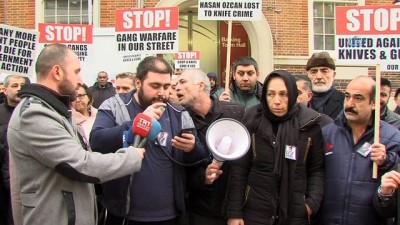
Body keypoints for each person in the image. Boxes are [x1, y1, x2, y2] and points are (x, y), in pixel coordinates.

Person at [7, 43, 145, 225]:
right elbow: (80, 165)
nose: (80, 80)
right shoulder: (35, 114)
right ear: (57, 72)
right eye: (76, 71)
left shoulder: (54, 109)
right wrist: (131, 157)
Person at [90, 56, 205, 225]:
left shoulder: (179, 113)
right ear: (138, 83)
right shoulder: (114, 105)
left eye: (167, 87)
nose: (162, 92)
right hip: (124, 214)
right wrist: (136, 123)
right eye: (155, 86)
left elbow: (200, 156)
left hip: (170, 215)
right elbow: (97, 142)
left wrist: (192, 148)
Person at [226, 70, 325, 225]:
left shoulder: (309, 124)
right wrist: (235, 213)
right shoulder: (252, 121)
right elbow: (239, 169)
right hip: (255, 212)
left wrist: (310, 205)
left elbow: (317, 170)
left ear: (292, 94)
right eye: (271, 94)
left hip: (295, 213)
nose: (276, 101)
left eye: (283, 94)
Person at [320, 76, 400, 225]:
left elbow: (391, 206)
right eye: (347, 96)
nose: (349, 104)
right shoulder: (326, 134)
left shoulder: (392, 138)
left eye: (358, 98)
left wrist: (387, 161)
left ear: (374, 103)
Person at [175, 68, 245, 225]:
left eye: (182, 82)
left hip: (235, 209)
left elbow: (246, 166)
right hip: (201, 212)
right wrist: (203, 178)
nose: (176, 87)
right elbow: (180, 172)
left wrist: (236, 210)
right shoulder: (180, 121)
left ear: (200, 86)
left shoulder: (237, 113)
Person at [0, 75, 26, 225]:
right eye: (15, 85)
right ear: (4, 90)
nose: (19, 89)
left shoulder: (32, 113)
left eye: (22, 85)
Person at [306, 51, 344, 120]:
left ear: (334, 75)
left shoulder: (345, 102)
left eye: (324, 71)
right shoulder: (300, 101)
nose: (319, 77)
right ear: (308, 75)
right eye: (313, 72)